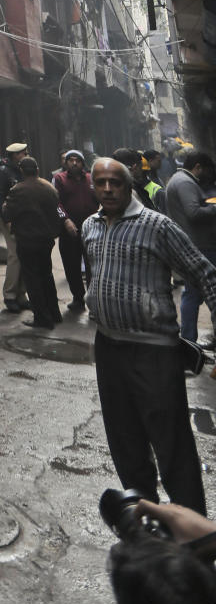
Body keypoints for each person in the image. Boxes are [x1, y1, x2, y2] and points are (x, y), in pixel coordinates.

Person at [81, 157, 216, 513]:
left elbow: (204, 273)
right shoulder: (89, 227)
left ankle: (192, 533)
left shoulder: (157, 226)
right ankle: (145, 520)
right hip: (109, 346)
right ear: (93, 186)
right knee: (124, 439)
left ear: (129, 186)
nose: (108, 189)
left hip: (154, 352)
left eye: (116, 182)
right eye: (101, 183)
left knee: (171, 443)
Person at [0, 156, 61, 329]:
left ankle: (42, 318)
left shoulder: (18, 190)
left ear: (21, 171)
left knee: (32, 279)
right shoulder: (49, 188)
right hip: (46, 240)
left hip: (27, 240)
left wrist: (6, 206)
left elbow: (7, 213)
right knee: (46, 276)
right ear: (37, 170)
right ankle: (54, 313)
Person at [163, 150, 216, 343]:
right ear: (198, 167)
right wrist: (214, 207)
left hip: (193, 245)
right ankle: (188, 341)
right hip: (199, 246)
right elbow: (193, 212)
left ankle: (188, 340)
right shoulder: (185, 182)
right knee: (195, 294)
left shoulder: (179, 180)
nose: (209, 176)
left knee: (192, 293)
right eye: (208, 170)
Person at [51, 149, 98, 312]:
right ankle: (78, 298)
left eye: (77, 160)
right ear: (66, 163)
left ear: (83, 163)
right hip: (69, 231)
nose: (74, 162)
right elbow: (55, 203)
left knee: (93, 266)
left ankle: (94, 299)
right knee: (72, 266)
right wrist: (65, 220)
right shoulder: (59, 179)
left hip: (91, 230)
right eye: (71, 160)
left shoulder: (91, 178)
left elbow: (100, 199)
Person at [0, 141, 30, 313]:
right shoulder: (3, 172)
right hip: (10, 219)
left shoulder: (20, 170)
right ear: (15, 155)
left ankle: (21, 295)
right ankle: (9, 295)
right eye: (23, 153)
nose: (26, 154)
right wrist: (7, 220)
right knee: (15, 255)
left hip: (23, 218)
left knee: (24, 255)